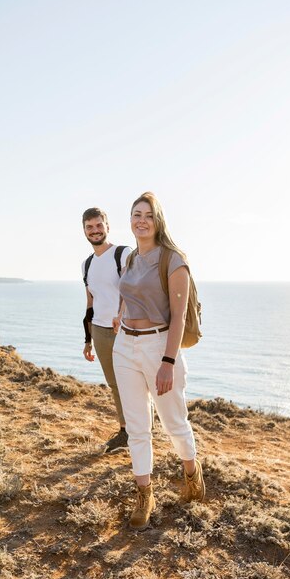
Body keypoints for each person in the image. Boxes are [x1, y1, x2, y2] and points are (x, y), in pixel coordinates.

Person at [112, 192, 205, 530]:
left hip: (160, 347)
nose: (141, 220)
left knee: (173, 423)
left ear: (158, 220)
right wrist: (120, 316)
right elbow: (128, 294)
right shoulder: (130, 258)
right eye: (136, 214)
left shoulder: (173, 259)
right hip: (125, 346)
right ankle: (144, 495)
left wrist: (168, 360)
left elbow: (179, 316)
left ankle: (192, 475)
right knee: (137, 427)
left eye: (147, 215)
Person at [82, 207, 132, 452]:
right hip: (101, 332)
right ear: (84, 231)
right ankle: (125, 432)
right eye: (89, 227)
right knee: (114, 384)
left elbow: (131, 289)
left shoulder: (122, 254)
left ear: (107, 226)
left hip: (126, 329)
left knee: (135, 382)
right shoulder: (87, 264)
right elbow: (90, 303)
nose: (95, 230)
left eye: (98, 225)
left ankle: (143, 431)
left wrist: (121, 314)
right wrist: (88, 339)